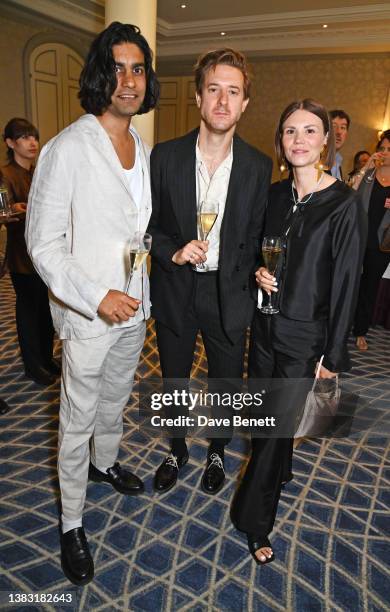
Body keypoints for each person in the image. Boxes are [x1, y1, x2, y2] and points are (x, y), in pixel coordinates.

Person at [26, 22, 159, 585]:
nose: (129, 80)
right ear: (101, 74)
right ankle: (71, 521)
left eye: (138, 69)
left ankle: (106, 466)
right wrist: (94, 296)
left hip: (136, 305)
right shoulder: (67, 148)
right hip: (89, 313)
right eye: (119, 67)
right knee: (77, 417)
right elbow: (43, 243)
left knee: (116, 398)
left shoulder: (143, 148)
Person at [230, 99, 367, 565]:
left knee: (270, 429)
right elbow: (255, 252)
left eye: (310, 131)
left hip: (306, 337)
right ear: (281, 140)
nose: (300, 140)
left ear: (326, 139)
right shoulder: (272, 195)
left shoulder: (344, 204)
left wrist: (334, 355)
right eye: (291, 131)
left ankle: (253, 520)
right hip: (264, 328)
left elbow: (349, 282)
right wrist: (258, 274)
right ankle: (281, 464)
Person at [148, 48, 272, 495]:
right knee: (174, 381)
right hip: (177, 287)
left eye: (233, 92)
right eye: (214, 89)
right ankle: (176, 449)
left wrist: (262, 270)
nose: (222, 101)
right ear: (199, 97)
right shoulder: (164, 157)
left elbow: (260, 234)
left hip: (230, 294)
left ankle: (217, 449)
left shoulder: (258, 167)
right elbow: (149, 226)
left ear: (244, 104)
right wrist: (174, 251)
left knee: (224, 382)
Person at [2, 118, 58, 386]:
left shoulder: (39, 171)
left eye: (34, 136)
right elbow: (5, 210)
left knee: (45, 309)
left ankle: (46, 359)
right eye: (24, 137)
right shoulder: (5, 174)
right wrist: (15, 209)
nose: (32, 142)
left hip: (44, 252)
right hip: (21, 255)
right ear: (10, 143)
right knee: (28, 311)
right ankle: (33, 366)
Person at [352, 129, 390, 350]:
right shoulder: (368, 175)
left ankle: (360, 331)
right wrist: (367, 166)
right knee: (350, 282)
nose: (384, 153)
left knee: (369, 287)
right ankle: (341, 324)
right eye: (382, 148)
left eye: (389, 149)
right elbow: (349, 191)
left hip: (381, 244)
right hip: (358, 237)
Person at [329, 109, 350, 180]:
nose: (338, 132)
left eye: (343, 127)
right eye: (334, 126)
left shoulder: (338, 160)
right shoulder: (315, 159)